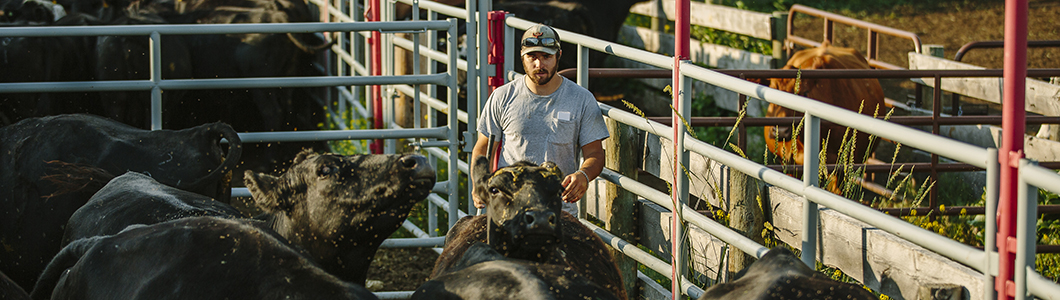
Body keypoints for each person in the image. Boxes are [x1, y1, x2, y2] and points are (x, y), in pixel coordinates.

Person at [471, 23, 610, 216]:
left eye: (546, 57)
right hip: (509, 207)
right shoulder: (502, 96)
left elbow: (595, 153)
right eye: (532, 57)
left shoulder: (581, 99)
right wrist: (480, 181)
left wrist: (583, 175)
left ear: (558, 55)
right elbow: (483, 146)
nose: (539, 64)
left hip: (559, 210)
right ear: (522, 57)